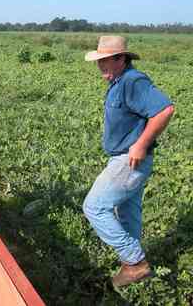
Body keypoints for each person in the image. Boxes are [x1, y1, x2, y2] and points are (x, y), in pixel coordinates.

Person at [82, 36, 174, 287]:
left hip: (128, 160)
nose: (100, 65)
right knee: (127, 214)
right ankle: (134, 270)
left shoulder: (133, 81)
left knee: (94, 207)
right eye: (98, 61)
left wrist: (141, 144)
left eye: (105, 61)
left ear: (121, 58)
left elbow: (164, 110)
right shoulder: (118, 81)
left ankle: (135, 262)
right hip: (124, 160)